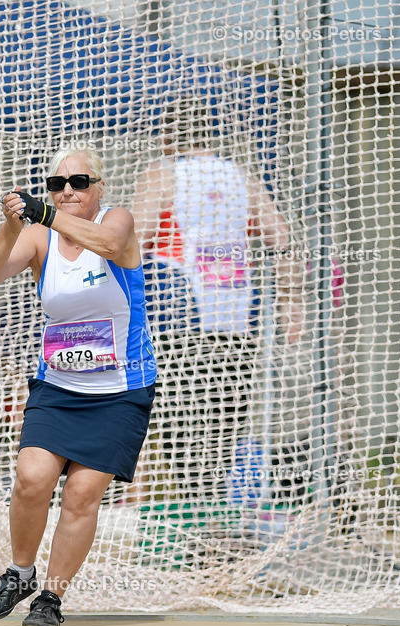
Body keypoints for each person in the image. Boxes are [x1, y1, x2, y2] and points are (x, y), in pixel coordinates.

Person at [0, 146, 156, 626]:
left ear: (98, 186)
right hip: (59, 384)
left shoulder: (116, 219)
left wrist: (47, 213)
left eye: (79, 182)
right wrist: (13, 222)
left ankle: (51, 597)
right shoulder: (40, 236)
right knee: (32, 478)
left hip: (120, 389)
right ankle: (19, 574)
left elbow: (112, 247)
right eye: (57, 184)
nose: (68, 191)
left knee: (80, 494)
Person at [130, 99, 303, 499]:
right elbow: (281, 238)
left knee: (179, 414)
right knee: (227, 412)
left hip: (179, 312)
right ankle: (211, 497)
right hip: (236, 311)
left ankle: (195, 502)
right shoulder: (239, 177)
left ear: (168, 139)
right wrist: (290, 301)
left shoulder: (163, 174)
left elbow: (135, 241)